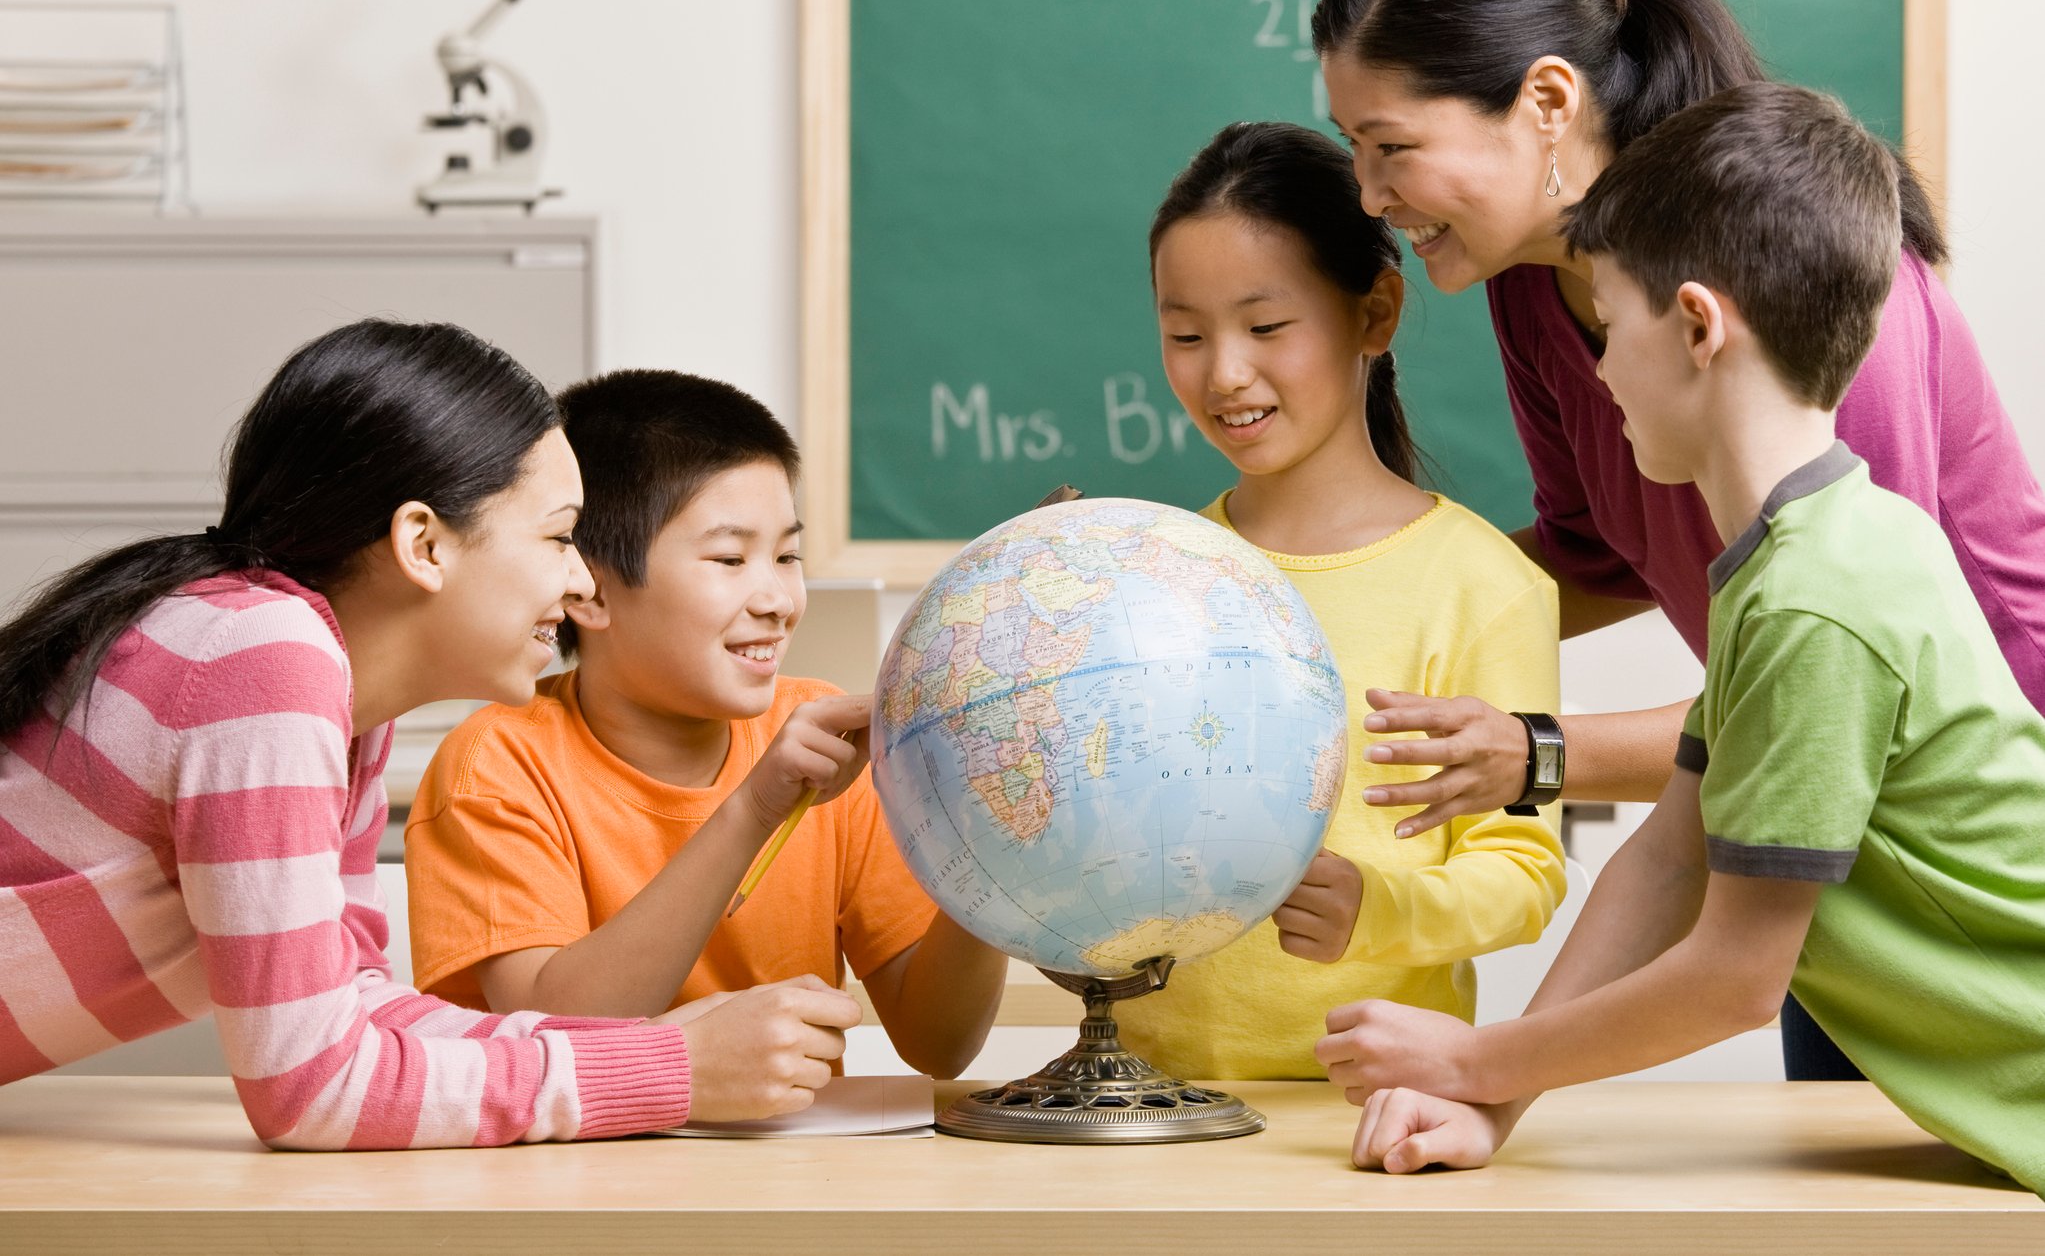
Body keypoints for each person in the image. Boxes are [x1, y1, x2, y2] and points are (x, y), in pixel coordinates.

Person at [1307, 0, 2045, 1079]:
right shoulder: (1531, 281)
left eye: (1390, 147)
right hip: (1808, 785)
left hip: (1963, 822)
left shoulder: (1783, 302)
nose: (1366, 195)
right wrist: (1316, 635)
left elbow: (1849, 677)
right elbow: (1587, 555)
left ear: (1546, 101)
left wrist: (1539, 748)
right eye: (1350, 148)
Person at [0, 320, 860, 1149]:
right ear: (424, 543)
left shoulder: (338, 703)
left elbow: (356, 1003)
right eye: (560, 537)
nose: (574, 579)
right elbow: (314, 1091)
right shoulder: (263, 657)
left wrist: (661, 1045)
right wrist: (672, 1066)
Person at [1114, 121, 1565, 1080]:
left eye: (1265, 327)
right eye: (1184, 334)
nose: (1223, 373)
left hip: (1367, 1111)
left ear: (1376, 313)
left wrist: (1383, 908)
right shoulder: (1150, 577)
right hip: (1150, 1110)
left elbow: (1522, 872)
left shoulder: (1478, 585)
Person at [403, 370, 1006, 1077]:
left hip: (789, 1180)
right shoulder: (496, 767)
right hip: (569, 1178)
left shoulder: (825, 744)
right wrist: (753, 807)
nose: (778, 598)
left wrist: (986, 842)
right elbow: (560, 1041)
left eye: (786, 555)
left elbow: (938, 1045)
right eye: (729, 558)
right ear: (588, 590)